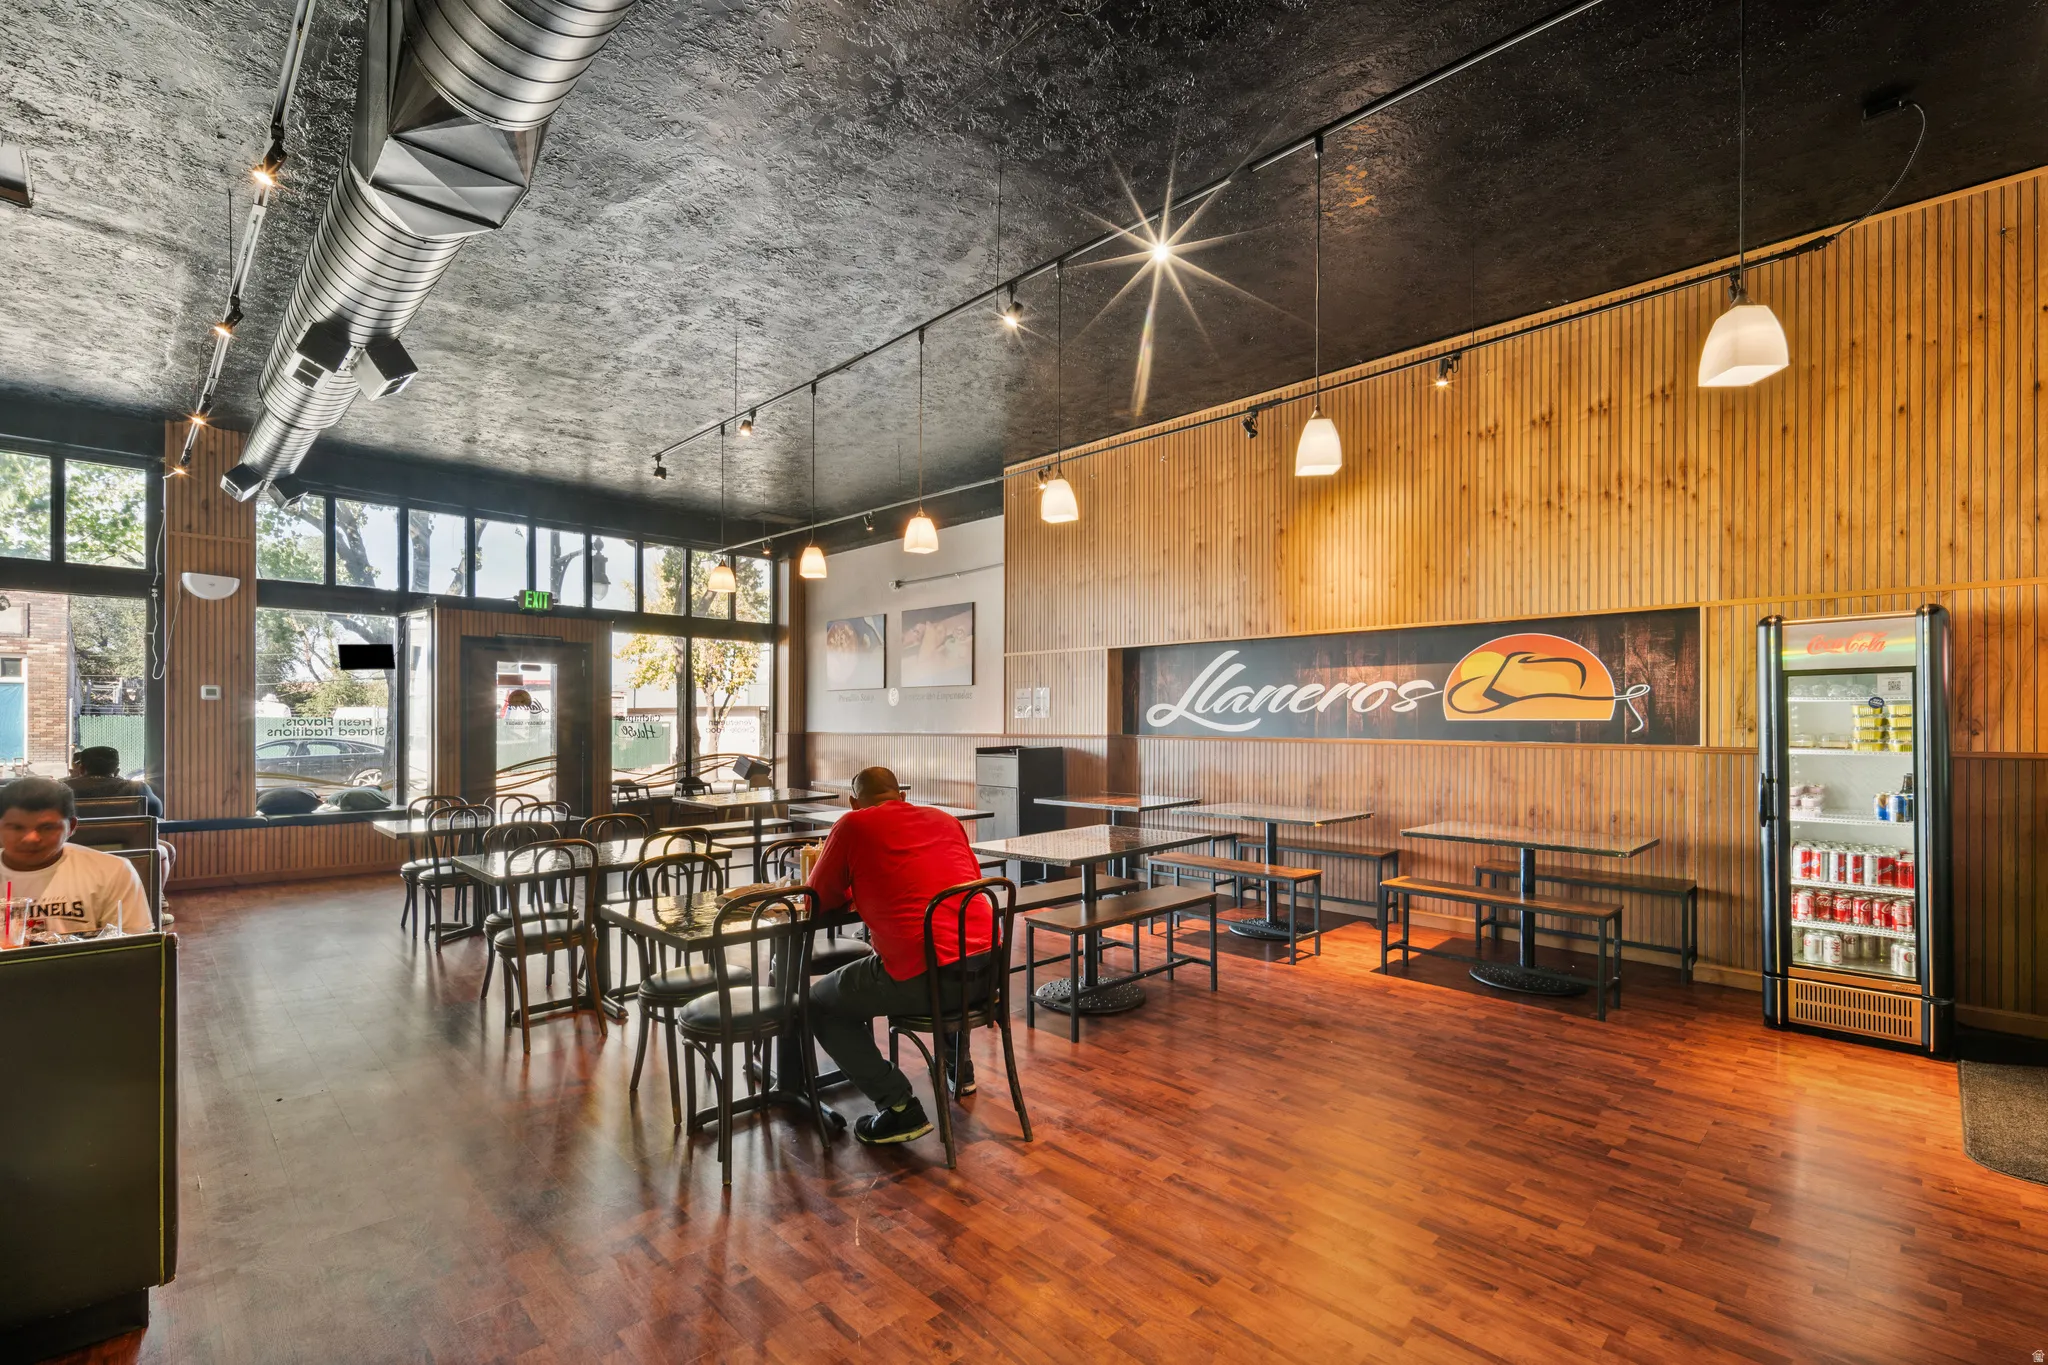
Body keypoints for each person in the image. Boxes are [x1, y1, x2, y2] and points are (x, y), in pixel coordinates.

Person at [806, 766, 992, 1146]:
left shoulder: (852, 825)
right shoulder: (945, 819)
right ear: (902, 796)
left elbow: (818, 899)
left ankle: (899, 1107)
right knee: (943, 943)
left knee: (820, 1003)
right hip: (988, 970)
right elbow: (965, 883)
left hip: (925, 976)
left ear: (854, 803)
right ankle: (960, 1067)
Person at [0, 777, 152, 936]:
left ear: (71, 827)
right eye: (16, 828)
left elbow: (134, 948)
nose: (31, 838)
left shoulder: (113, 871)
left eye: (47, 827)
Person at [65, 746, 163, 817]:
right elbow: (157, 812)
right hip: (128, 843)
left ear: (81, 769)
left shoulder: (62, 789)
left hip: (76, 844)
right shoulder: (138, 788)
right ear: (116, 772)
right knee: (166, 846)